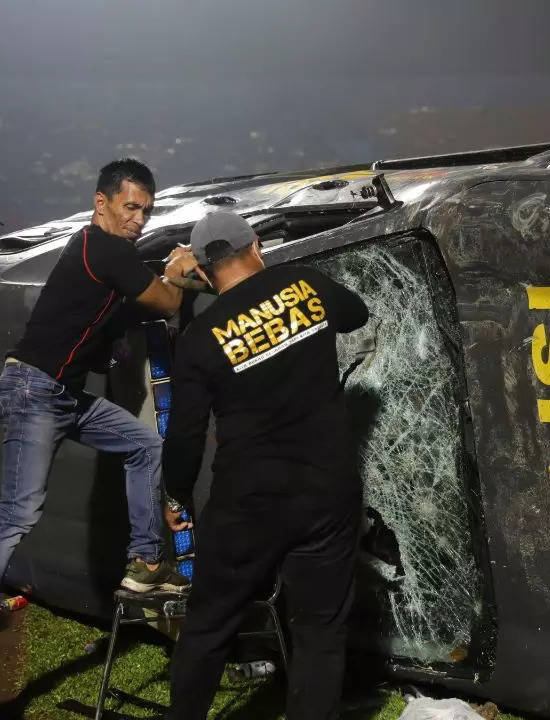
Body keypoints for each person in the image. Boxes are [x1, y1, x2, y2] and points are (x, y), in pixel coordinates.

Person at [0, 159, 197, 699]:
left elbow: (121, 317)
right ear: (100, 203)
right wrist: (175, 272)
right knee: (19, 511)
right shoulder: (104, 249)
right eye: (130, 207)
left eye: (146, 210)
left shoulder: (101, 256)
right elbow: (168, 301)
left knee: (144, 446)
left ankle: (147, 562)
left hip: (60, 394)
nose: (139, 219)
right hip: (35, 391)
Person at [163, 211, 370, 720]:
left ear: (205, 273)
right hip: (326, 490)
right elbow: (356, 314)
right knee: (320, 633)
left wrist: (176, 497)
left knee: (210, 625)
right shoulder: (302, 285)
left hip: (249, 502)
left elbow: (185, 436)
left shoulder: (199, 338)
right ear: (256, 245)